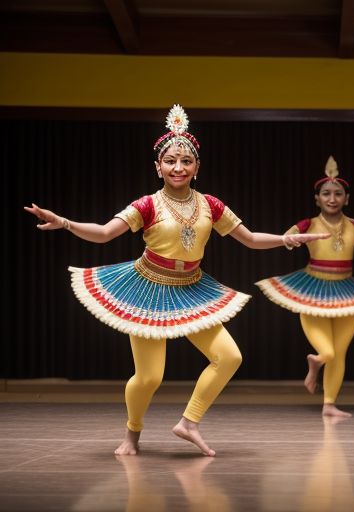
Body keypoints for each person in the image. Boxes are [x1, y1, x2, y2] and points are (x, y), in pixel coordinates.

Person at [24, 105, 326, 456]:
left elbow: (251, 238)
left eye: (186, 161)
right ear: (158, 167)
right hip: (147, 289)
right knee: (150, 377)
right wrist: (63, 221)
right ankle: (132, 434)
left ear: (197, 167)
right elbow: (105, 233)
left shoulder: (211, 205)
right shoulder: (147, 205)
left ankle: (189, 422)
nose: (178, 167)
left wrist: (287, 239)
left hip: (192, 288)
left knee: (229, 357)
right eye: (170, 161)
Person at [256, 156, 354, 418]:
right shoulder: (307, 224)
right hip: (312, 289)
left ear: (347, 199)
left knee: (339, 352)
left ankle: (329, 404)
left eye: (337, 194)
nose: (332, 198)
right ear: (317, 199)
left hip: (347, 291)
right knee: (328, 352)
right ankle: (316, 363)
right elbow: (284, 240)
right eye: (326, 194)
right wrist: (292, 239)